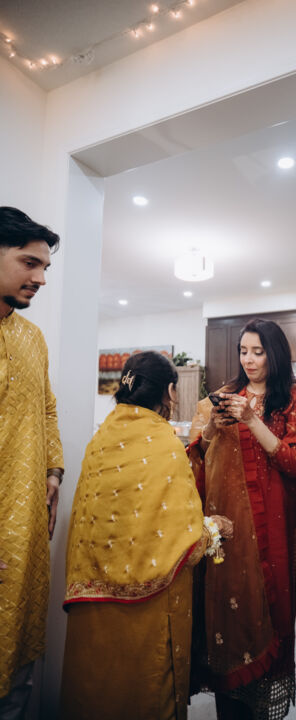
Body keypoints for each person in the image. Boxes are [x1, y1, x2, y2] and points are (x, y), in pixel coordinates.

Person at [60, 351, 233, 720]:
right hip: (146, 611)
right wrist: (214, 529)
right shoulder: (162, 441)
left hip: (93, 606)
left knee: (95, 694)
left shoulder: (100, 439)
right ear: (169, 392)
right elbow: (182, 535)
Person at [188, 319, 296, 719]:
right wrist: (212, 428)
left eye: (258, 352)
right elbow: (196, 458)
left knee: (269, 610)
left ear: (275, 354)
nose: (249, 360)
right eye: (243, 351)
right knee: (227, 614)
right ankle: (228, 701)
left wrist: (252, 419)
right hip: (228, 531)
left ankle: (261, 703)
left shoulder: (293, 398)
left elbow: (293, 462)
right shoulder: (224, 396)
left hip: (272, 527)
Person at [0, 207, 64, 717]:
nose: (41, 278)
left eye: (44, 267)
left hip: (23, 524)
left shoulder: (31, 337)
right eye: (29, 263)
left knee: (18, 647)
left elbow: (46, 408)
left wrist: (53, 472)